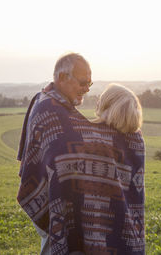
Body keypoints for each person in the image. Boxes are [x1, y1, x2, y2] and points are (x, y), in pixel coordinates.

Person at [17, 54, 145, 254]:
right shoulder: (50, 111)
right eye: (83, 82)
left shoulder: (60, 112)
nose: (87, 89)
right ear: (61, 77)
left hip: (68, 206)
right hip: (56, 202)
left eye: (90, 83)